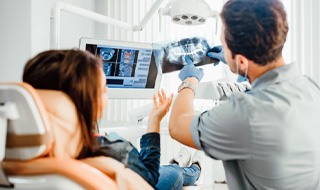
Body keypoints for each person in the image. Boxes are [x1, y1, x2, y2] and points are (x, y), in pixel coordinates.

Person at [169, 0, 320, 189]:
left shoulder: (245, 113)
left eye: (225, 45)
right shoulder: (310, 86)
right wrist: (241, 67)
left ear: (241, 60)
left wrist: (189, 82)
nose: (223, 48)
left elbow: (177, 126)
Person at [22, 49, 204, 190]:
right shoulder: (115, 151)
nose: (107, 91)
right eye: (103, 88)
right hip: (141, 178)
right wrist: (154, 121)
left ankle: (180, 161)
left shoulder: (26, 154)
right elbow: (149, 177)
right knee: (173, 174)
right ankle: (195, 168)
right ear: (89, 102)